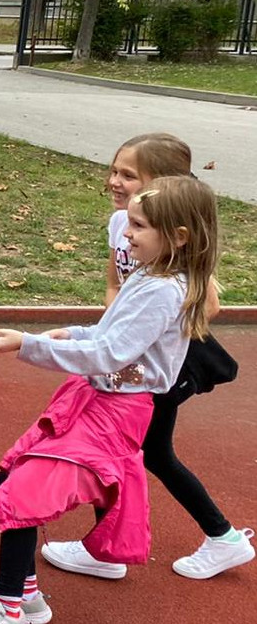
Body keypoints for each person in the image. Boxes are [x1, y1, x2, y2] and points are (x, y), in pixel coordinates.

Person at [0, 175, 222, 624]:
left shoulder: (164, 290)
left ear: (179, 236)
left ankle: (7, 612)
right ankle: (24, 593)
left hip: (115, 413)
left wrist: (28, 345)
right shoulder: (150, 276)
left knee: (22, 492)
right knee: (10, 476)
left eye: (139, 226)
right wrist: (70, 334)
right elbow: (109, 334)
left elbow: (111, 354)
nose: (127, 234)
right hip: (91, 400)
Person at [40, 134, 249, 582]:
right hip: (126, 355)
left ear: (163, 185)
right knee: (137, 452)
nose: (114, 181)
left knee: (135, 452)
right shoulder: (123, 223)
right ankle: (126, 546)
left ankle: (215, 537)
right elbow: (115, 285)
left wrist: (139, 335)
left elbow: (206, 305)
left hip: (162, 364)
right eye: (114, 170)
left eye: (129, 175)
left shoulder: (174, 245)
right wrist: (112, 332)